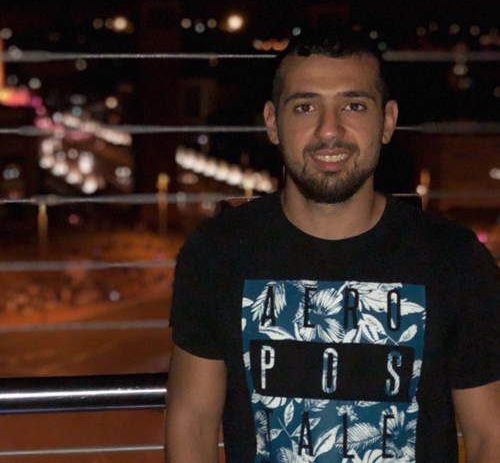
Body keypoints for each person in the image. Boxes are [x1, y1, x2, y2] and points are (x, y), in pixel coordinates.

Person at [166, 29, 500, 462]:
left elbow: (490, 436)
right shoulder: (216, 254)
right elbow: (192, 425)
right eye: (305, 106)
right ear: (272, 122)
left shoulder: (455, 259)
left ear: (388, 121)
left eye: (353, 106)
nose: (329, 130)